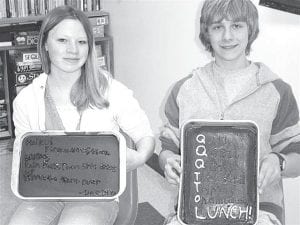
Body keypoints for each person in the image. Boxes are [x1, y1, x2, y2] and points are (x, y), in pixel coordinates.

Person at [9, 6, 155, 225]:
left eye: (81, 42)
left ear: (90, 47)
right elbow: (25, 158)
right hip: (47, 191)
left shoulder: (111, 91)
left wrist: (141, 156)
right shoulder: (26, 101)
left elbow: (145, 136)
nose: (73, 50)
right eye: (62, 41)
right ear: (45, 45)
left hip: (96, 192)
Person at [159, 0, 300, 225]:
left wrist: (278, 161)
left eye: (236, 26)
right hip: (197, 205)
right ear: (206, 32)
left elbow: (297, 157)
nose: (227, 36)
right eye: (217, 27)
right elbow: (167, 150)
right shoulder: (184, 90)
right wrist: (168, 162)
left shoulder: (277, 91)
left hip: (259, 206)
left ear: (250, 29)